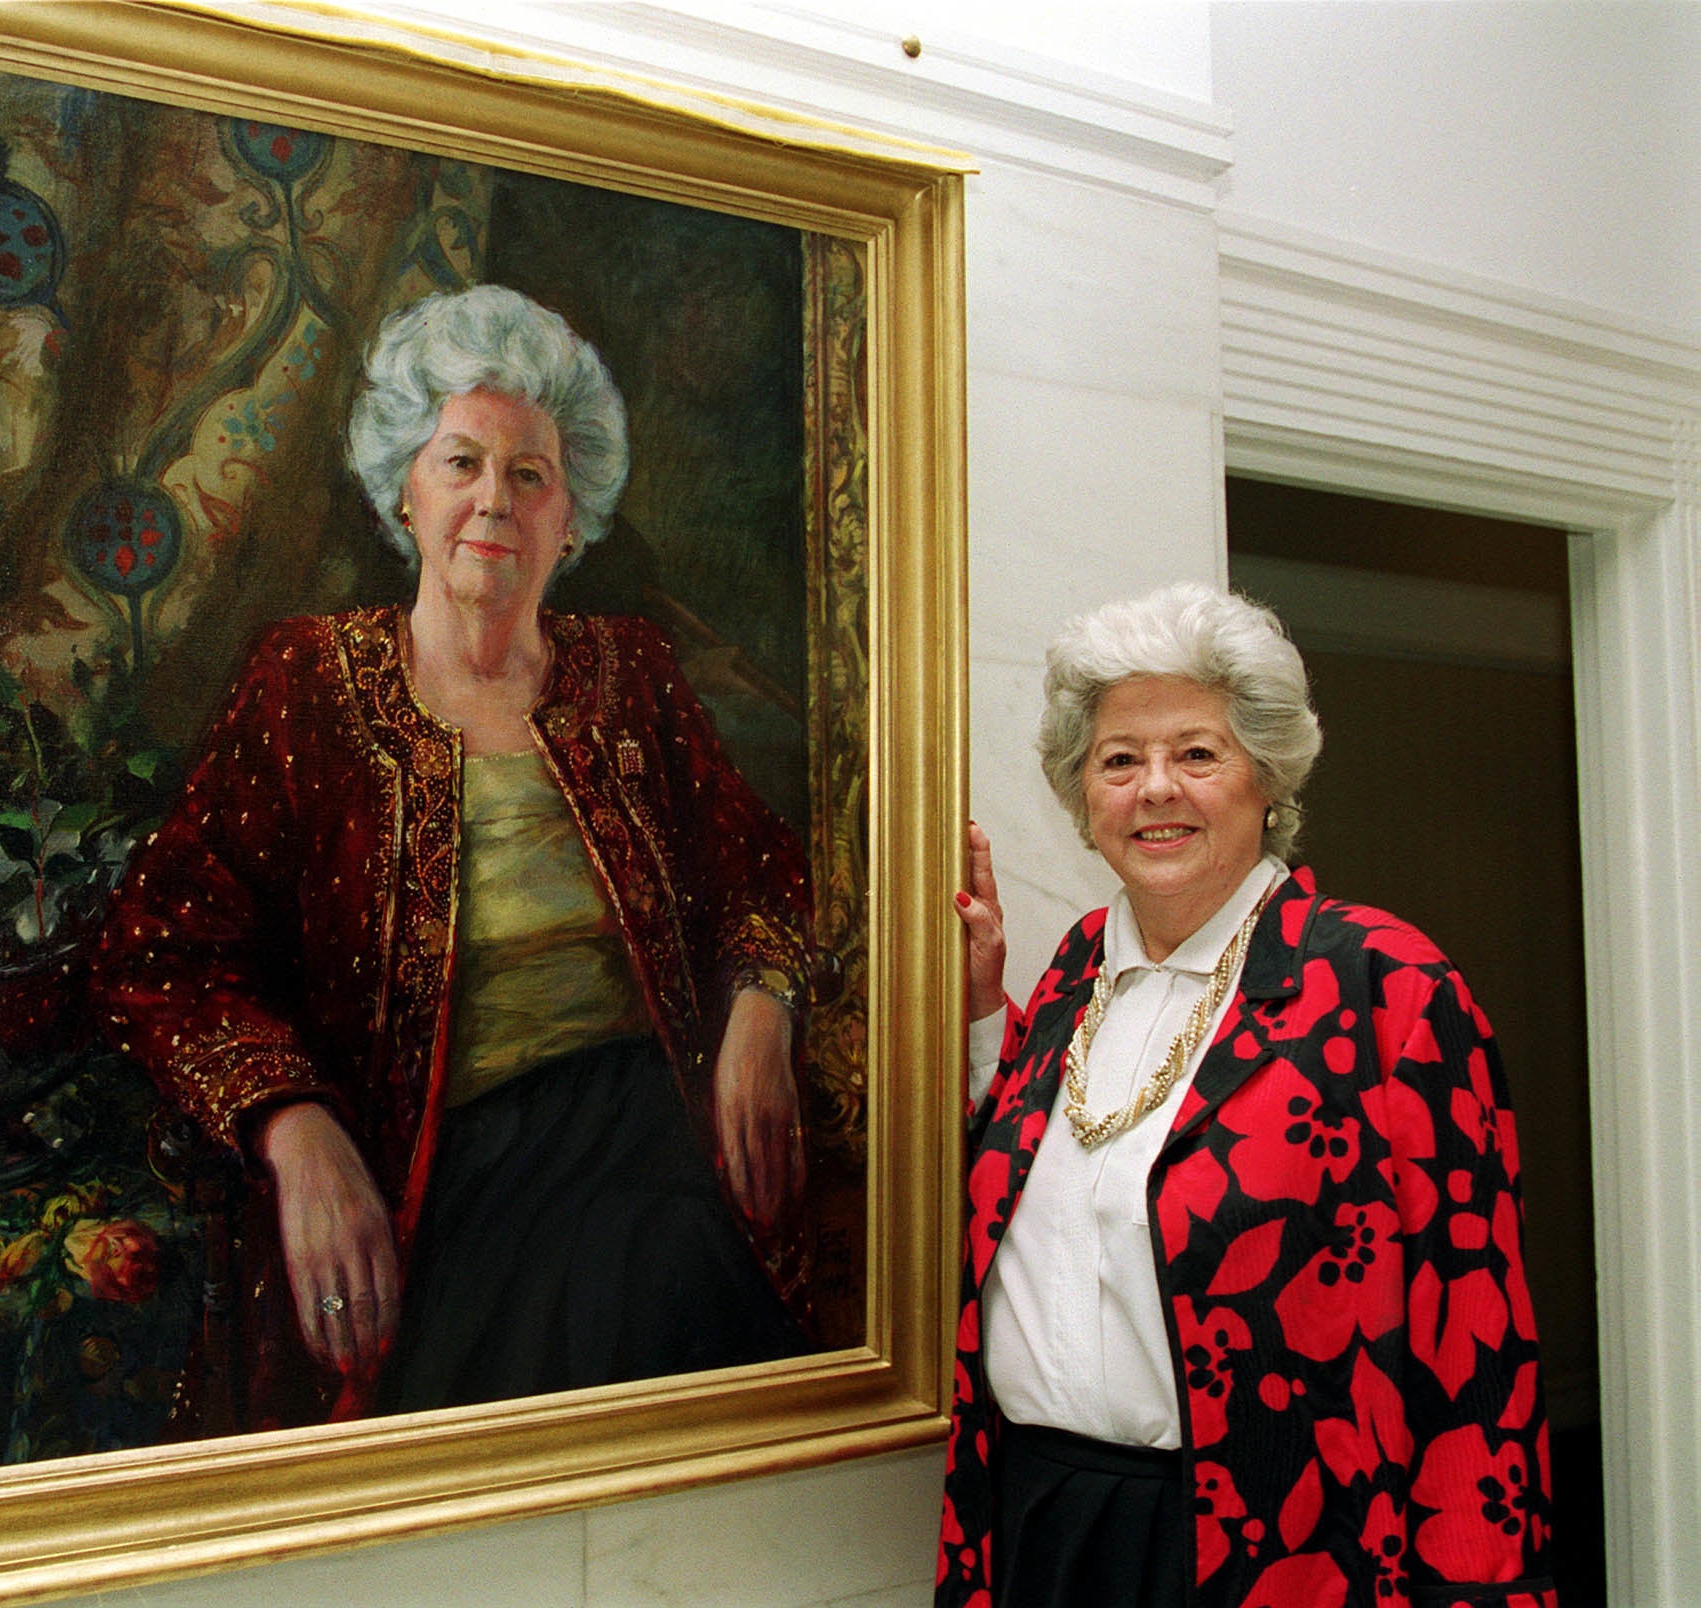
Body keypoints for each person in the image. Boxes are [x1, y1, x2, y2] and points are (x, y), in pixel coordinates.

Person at [92, 284, 812, 1432]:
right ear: (403, 489)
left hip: (644, 1126)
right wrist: (294, 1124)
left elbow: (763, 871)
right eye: (461, 461)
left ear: (574, 515)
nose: (494, 500)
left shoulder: (633, 673)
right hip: (437, 1159)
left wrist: (762, 1017)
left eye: (530, 473)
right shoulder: (308, 682)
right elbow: (162, 951)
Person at [937, 583, 1554, 1607]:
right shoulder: (1075, 971)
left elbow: (1475, 1341)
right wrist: (974, 1017)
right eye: (1119, 760)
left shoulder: (1386, 984)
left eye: (1197, 753)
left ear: (1267, 778)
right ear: (1082, 795)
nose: (1155, 789)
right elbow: (1013, 1207)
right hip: (1040, 1523)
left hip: (1277, 1547)